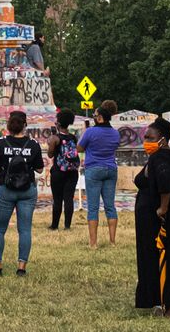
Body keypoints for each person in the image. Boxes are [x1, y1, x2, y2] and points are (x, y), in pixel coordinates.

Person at [135, 117, 170, 318]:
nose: (146, 141)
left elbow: (166, 184)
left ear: (163, 139)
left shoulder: (160, 158)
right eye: (145, 137)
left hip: (164, 220)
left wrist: (163, 208)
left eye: (150, 137)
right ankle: (161, 301)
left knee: (164, 259)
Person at [0, 109, 43, 277]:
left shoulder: (0, 143)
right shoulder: (34, 144)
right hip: (27, 190)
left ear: (8, 125)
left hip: (5, 189)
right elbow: (40, 169)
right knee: (25, 230)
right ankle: (21, 268)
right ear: (25, 125)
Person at [78, 102, 121, 248]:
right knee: (110, 206)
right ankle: (112, 241)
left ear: (101, 118)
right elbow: (115, 146)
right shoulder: (115, 133)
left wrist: (85, 131)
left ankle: (93, 243)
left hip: (93, 169)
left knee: (93, 207)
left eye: (95, 116)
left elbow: (79, 148)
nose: (94, 117)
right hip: (111, 169)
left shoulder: (90, 132)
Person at [48, 107, 81, 230]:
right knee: (69, 198)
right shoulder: (73, 138)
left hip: (58, 172)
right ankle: (67, 226)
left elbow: (50, 154)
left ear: (58, 122)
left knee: (57, 199)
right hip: (72, 172)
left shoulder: (55, 138)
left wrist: (51, 139)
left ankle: (54, 225)